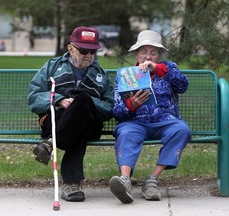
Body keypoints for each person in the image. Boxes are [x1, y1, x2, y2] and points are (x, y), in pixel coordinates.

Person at [28, 26, 114, 202]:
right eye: (83, 51)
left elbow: (110, 107)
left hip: (89, 123)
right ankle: (71, 184)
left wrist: (87, 102)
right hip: (55, 119)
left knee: (83, 101)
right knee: (78, 129)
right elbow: (34, 97)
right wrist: (58, 100)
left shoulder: (101, 76)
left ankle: (51, 143)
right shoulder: (52, 67)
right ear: (70, 48)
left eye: (92, 51)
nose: (88, 55)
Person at [109, 30, 191, 203]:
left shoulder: (168, 68)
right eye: (144, 52)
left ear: (159, 55)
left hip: (165, 121)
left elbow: (183, 85)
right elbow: (116, 112)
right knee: (126, 133)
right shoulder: (125, 75)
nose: (148, 56)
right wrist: (131, 105)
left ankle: (152, 180)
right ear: (136, 54)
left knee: (182, 129)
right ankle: (125, 181)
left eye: (153, 52)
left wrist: (160, 69)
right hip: (135, 122)